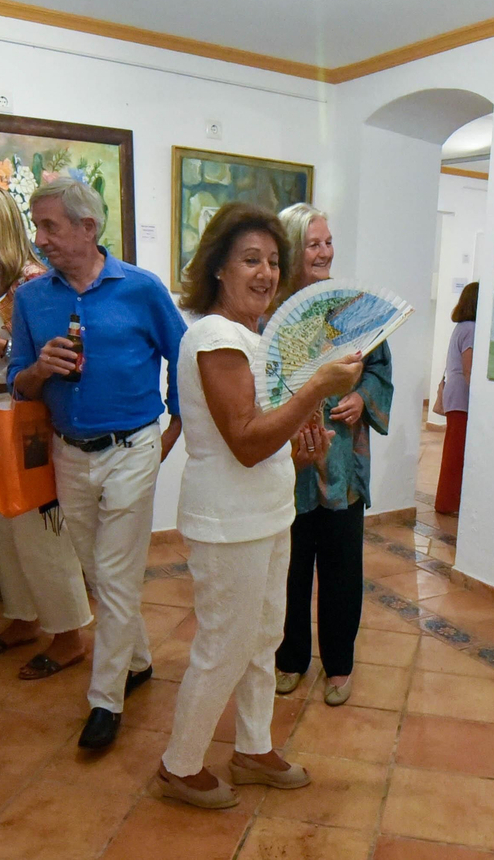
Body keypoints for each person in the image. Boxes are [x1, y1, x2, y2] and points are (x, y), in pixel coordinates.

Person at [158, 202, 361, 809]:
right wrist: (317, 390)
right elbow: (245, 443)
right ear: (219, 267)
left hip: (266, 512)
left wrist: (300, 453)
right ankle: (179, 763)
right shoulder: (215, 338)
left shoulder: (252, 336)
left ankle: (252, 747)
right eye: (250, 259)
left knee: (263, 636)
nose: (266, 273)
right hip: (228, 521)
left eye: (274, 261)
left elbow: (261, 447)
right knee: (225, 643)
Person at [10, 176, 187, 751]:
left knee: (113, 575)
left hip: (134, 447)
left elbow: (186, 359)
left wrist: (175, 429)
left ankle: (105, 700)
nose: (40, 240)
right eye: (37, 227)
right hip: (68, 451)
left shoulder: (140, 288)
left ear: (89, 228)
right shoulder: (32, 298)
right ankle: (136, 661)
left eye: (50, 227)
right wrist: (38, 369)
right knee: (97, 573)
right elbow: (17, 381)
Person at [0, 184, 94, 679]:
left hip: (25, 412)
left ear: (0, 225)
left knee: (37, 528)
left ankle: (69, 632)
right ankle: (22, 617)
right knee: (3, 523)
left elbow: (49, 352)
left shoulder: (30, 282)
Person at [271, 203, 393, 707]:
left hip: (342, 463)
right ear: (292, 251)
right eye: (313, 244)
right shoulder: (270, 316)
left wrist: (363, 397)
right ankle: (290, 657)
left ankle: (339, 663)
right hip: (290, 462)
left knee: (342, 567)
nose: (324, 252)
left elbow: (380, 369)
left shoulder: (355, 308)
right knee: (289, 567)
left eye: (327, 242)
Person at [436, 282, 478, 515]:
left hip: (454, 393)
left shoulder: (461, 327)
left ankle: (446, 502)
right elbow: (468, 368)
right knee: (456, 453)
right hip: (462, 396)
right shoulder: (471, 328)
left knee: (452, 450)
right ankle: (447, 504)